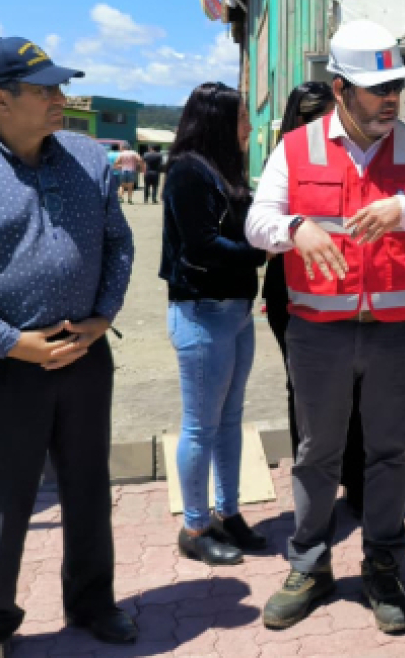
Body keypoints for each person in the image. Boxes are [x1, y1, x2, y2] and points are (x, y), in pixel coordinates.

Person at [0, 36, 137, 658]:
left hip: (83, 353)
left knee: (88, 488)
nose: (61, 99)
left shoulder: (88, 159)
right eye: (45, 90)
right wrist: (14, 343)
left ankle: (92, 603)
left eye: (60, 87)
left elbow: (118, 243)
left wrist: (102, 317)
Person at [246, 20, 405, 634]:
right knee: (317, 453)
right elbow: (257, 223)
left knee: (388, 454)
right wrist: (295, 228)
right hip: (319, 332)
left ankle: (384, 567)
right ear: (340, 88)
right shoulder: (297, 148)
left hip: (399, 332)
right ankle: (309, 567)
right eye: (377, 88)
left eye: (396, 86)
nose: (391, 98)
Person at [161, 83, 269, 566]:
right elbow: (200, 246)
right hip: (202, 313)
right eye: (243, 117)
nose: (249, 126)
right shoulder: (188, 171)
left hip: (236, 313)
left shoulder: (226, 171)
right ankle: (195, 526)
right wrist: (263, 252)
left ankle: (228, 513)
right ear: (219, 122)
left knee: (229, 420)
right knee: (200, 427)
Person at [262, 81, 367, 518]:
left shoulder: (357, 156)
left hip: (344, 283)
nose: (325, 128)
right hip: (293, 287)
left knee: (355, 387)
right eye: (315, 118)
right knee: (304, 390)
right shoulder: (285, 158)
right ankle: (314, 487)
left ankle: (356, 480)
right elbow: (263, 232)